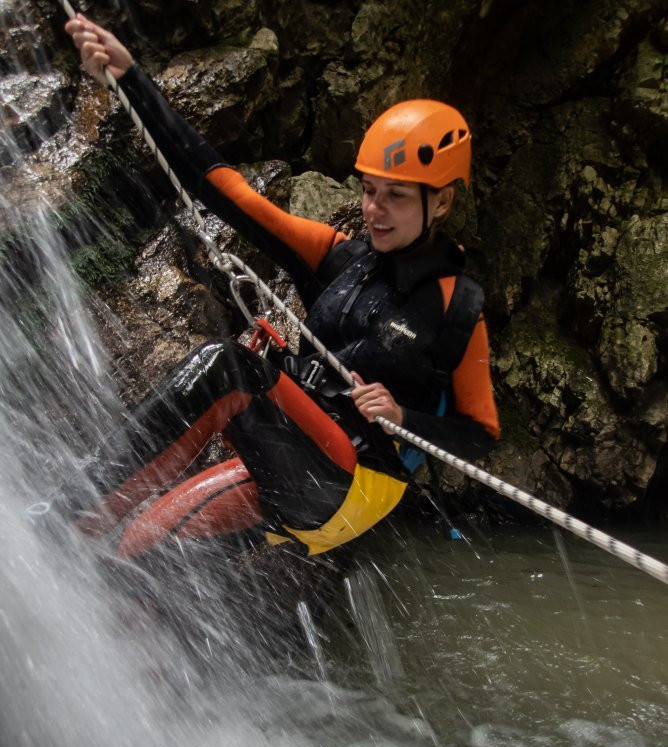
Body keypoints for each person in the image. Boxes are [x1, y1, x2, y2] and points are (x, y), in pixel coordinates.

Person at [64, 15, 499, 561]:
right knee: (139, 546)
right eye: (368, 191)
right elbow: (224, 190)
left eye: (397, 196)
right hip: (298, 450)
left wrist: (402, 418)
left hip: (357, 479)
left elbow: (480, 432)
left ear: (442, 202)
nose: (374, 210)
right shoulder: (337, 257)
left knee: (229, 369)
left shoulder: (458, 307)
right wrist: (132, 80)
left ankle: (63, 518)